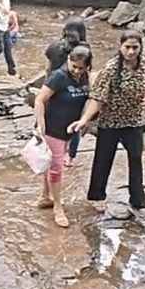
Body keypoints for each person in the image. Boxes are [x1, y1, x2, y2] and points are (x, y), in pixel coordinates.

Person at [70, 31, 145, 211]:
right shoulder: (111, 69)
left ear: (140, 48)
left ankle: (137, 198)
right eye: (127, 47)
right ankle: (97, 195)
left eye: (135, 48)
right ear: (120, 47)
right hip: (111, 121)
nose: (131, 52)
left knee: (136, 158)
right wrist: (84, 119)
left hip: (134, 120)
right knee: (103, 159)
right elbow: (98, 98)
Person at [34, 46, 92, 228]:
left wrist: (85, 120)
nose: (76, 71)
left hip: (70, 130)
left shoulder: (85, 78)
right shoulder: (59, 76)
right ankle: (58, 207)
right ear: (68, 61)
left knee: (51, 164)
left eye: (81, 68)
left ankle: (45, 196)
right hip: (52, 128)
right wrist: (40, 123)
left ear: (87, 67)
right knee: (56, 168)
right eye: (73, 66)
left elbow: (89, 100)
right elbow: (40, 99)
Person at [45, 18, 89, 165]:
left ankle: (48, 149)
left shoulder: (55, 46)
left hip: (53, 86)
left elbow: (48, 62)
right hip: (76, 89)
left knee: (50, 119)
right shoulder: (84, 49)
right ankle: (70, 156)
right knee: (75, 121)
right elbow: (88, 69)